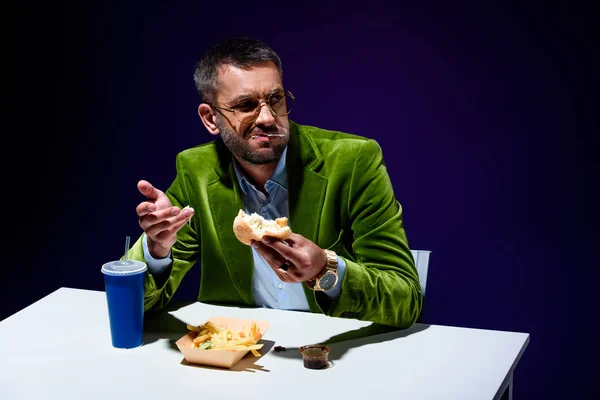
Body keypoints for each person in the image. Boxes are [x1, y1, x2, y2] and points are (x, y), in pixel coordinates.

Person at [127, 36, 423, 328]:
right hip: (238, 358)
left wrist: (325, 268)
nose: (268, 117)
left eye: (275, 99)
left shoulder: (353, 160)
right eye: (246, 105)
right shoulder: (197, 170)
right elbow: (133, 304)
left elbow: (406, 299)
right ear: (210, 119)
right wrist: (157, 250)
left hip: (327, 354)